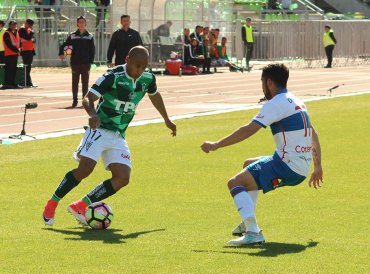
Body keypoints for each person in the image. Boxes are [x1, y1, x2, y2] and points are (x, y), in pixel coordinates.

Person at [42, 46, 177, 226]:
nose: (140, 71)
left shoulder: (148, 78)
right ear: (128, 60)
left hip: (118, 135)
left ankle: (80, 205)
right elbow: (88, 98)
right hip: (99, 129)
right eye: (137, 66)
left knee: (122, 178)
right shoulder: (112, 76)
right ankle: (52, 204)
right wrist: (93, 114)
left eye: (143, 67)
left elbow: (154, 95)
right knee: (85, 169)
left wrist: (166, 119)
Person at [201, 63, 323, 245]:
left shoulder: (276, 104)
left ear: (270, 82)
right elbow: (314, 134)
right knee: (248, 163)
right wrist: (318, 166)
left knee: (234, 183)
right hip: (300, 166)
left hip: (287, 167)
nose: (262, 87)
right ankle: (247, 221)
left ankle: (253, 233)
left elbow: (248, 130)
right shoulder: (296, 101)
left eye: (262, 83)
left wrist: (216, 144)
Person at [59, 16, 95, 108]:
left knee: (85, 83)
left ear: (85, 24)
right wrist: (61, 53)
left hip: (86, 63)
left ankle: (84, 100)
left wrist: (90, 61)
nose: (81, 23)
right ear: (77, 24)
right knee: (75, 82)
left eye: (83, 22)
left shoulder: (90, 36)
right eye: (80, 22)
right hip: (75, 62)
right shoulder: (72, 35)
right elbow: (64, 44)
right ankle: (75, 101)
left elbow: (92, 50)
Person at [2, 20, 20, 89]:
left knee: (13, 69)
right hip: (9, 54)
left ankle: (12, 83)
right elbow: (8, 44)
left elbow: (19, 41)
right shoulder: (6, 33)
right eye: (12, 25)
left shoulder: (16, 32)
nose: (14, 26)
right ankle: (7, 83)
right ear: (9, 25)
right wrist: (16, 50)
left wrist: (19, 48)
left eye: (15, 25)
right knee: (9, 69)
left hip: (15, 54)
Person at [18, 19, 36, 87]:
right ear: (26, 23)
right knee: (26, 66)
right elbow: (28, 38)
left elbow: (34, 39)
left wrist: (32, 36)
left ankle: (28, 82)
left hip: (30, 50)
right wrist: (31, 32)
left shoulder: (29, 30)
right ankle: (25, 82)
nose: (31, 26)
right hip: (25, 50)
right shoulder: (22, 30)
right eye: (30, 25)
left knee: (29, 67)